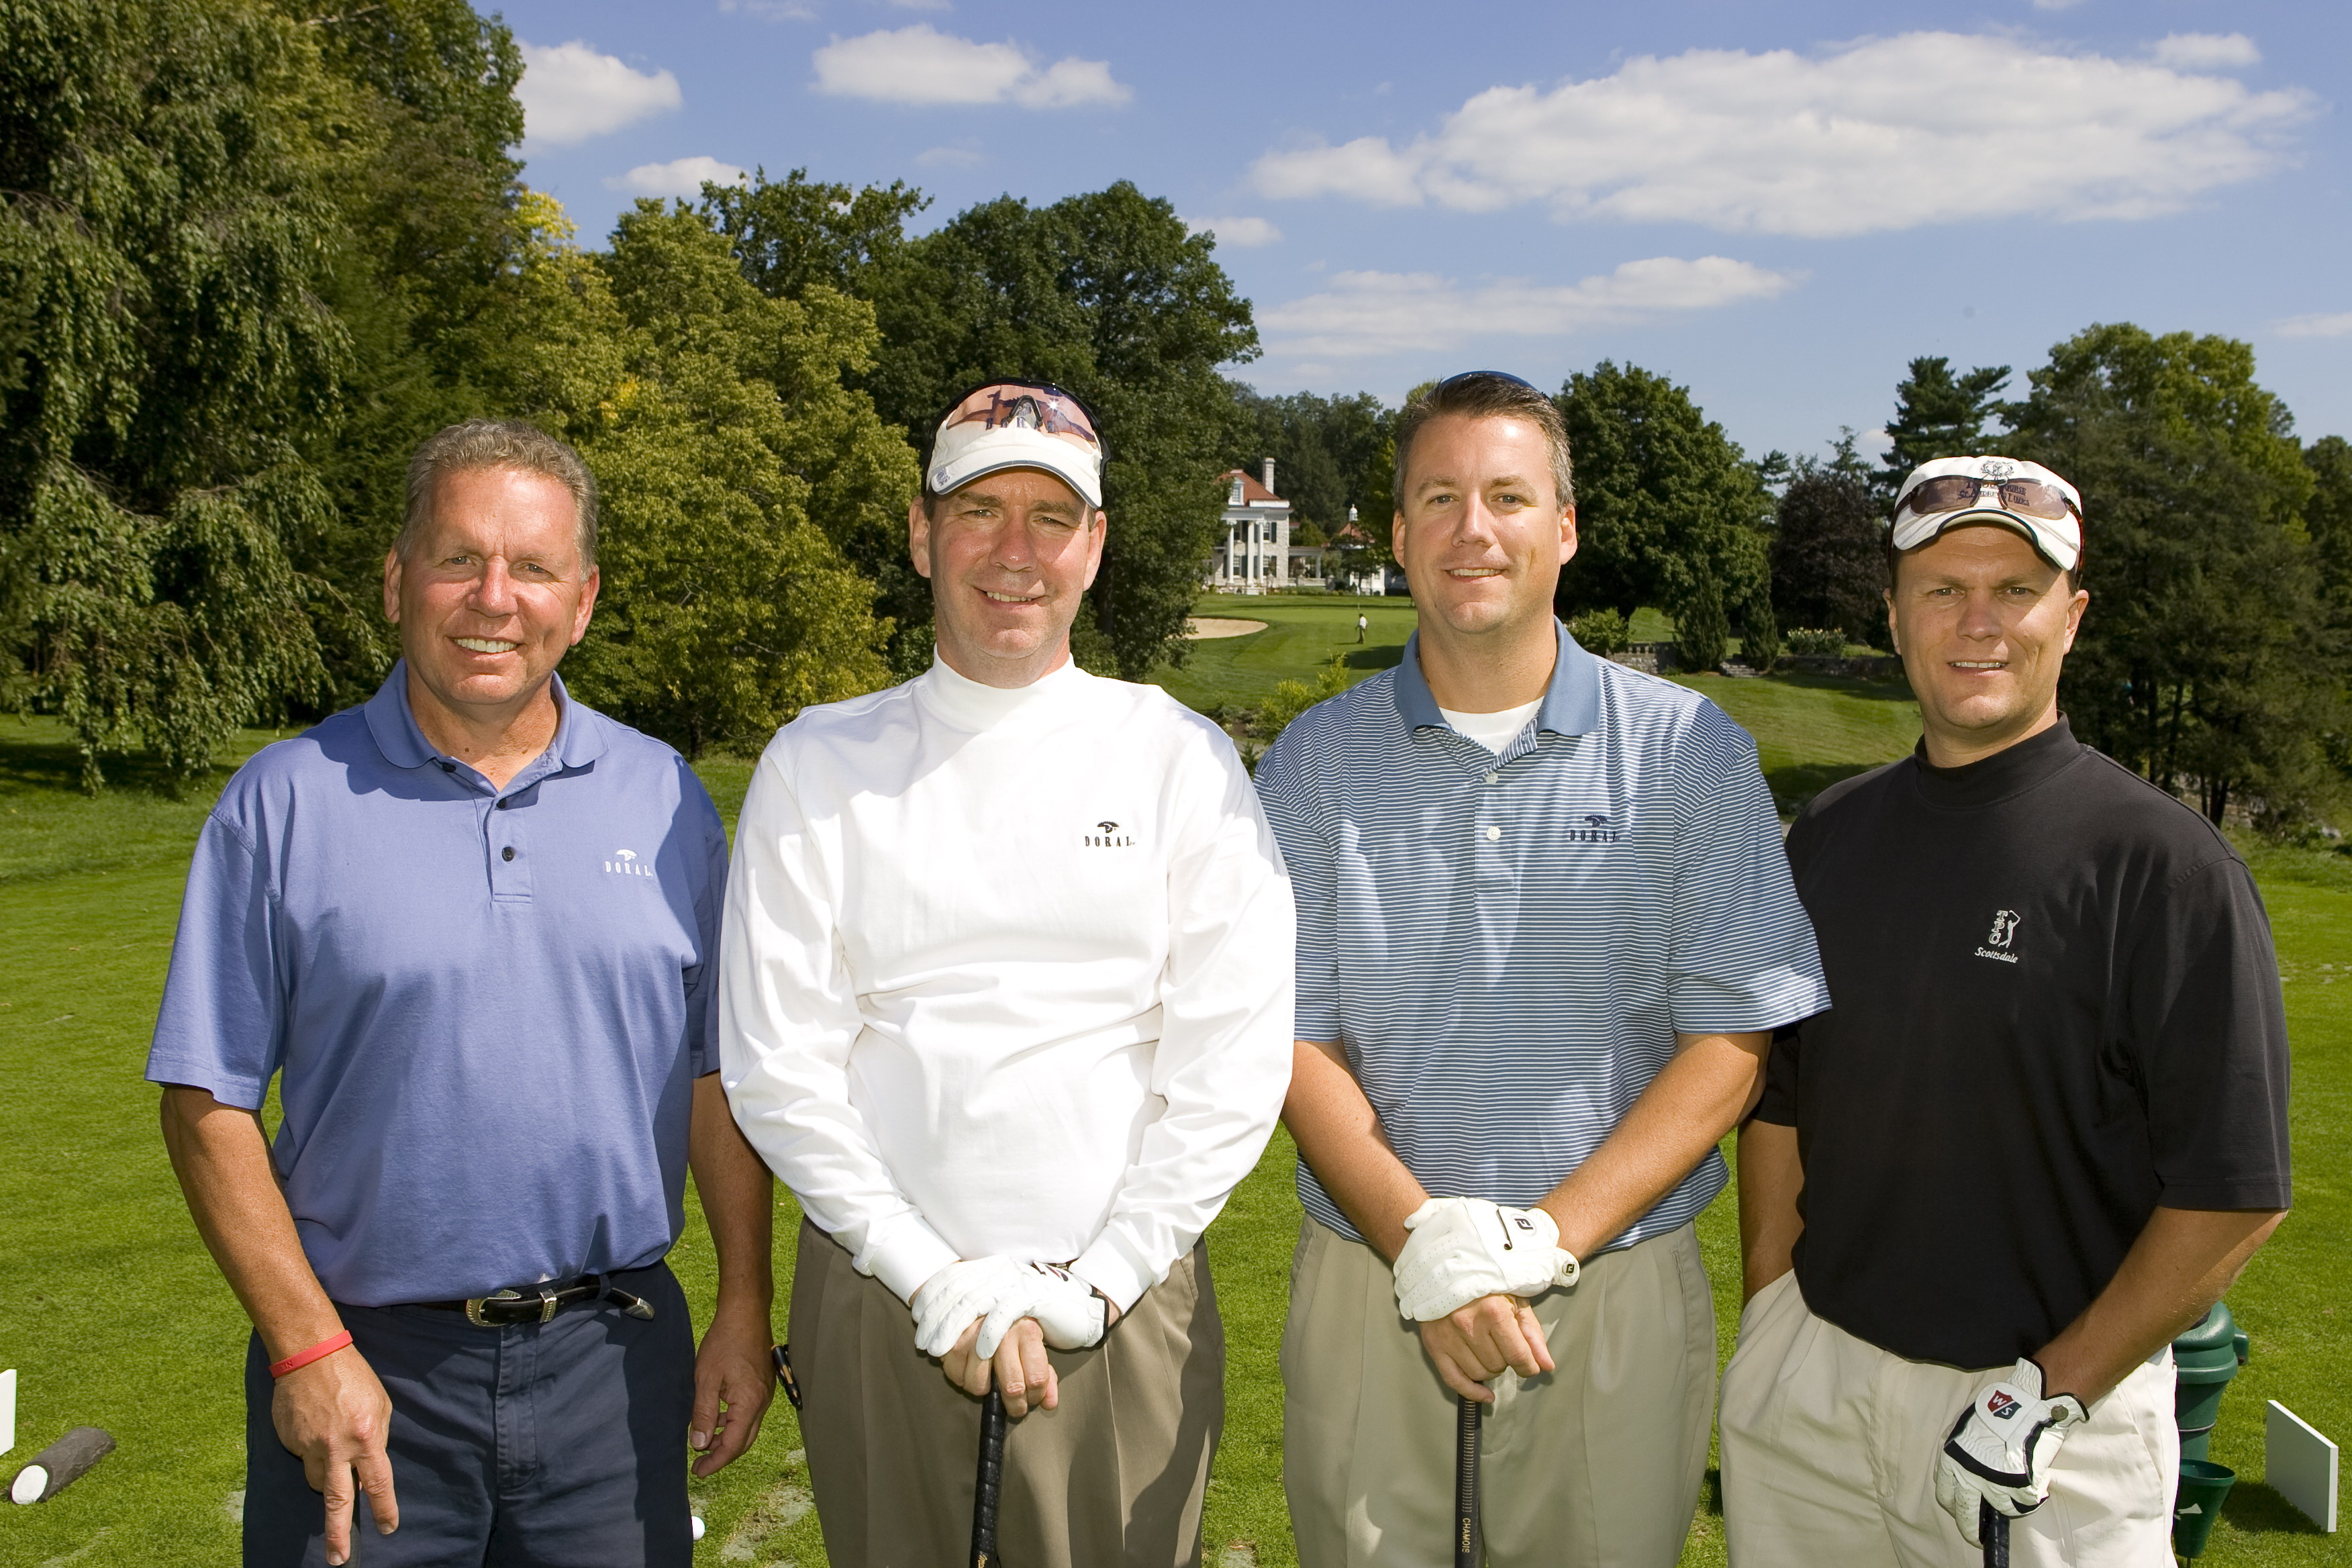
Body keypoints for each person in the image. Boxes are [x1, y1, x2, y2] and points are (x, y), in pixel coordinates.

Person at [149, 419, 777, 1568]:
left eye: (533, 567)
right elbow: (205, 1099)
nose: (494, 598)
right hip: (364, 1365)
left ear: (582, 601)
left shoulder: (666, 798)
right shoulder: (281, 802)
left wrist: (745, 1301)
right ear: (398, 581)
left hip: (612, 1367)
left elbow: (713, 1075)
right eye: (458, 559)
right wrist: (305, 1348)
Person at [1255, 371, 1829, 1568]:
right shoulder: (1314, 760)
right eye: (1440, 498)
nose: (1474, 529)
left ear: (1564, 529)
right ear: (1399, 534)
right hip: (1373, 1270)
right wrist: (1424, 1243)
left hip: (1611, 1281)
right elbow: (1291, 1037)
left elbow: (1731, 1045)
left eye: (1509, 497)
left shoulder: (1689, 750)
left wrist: (1541, 1240)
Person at [719, 380, 1295, 1567]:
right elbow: (780, 1066)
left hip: (1121, 1304)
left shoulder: (1179, 759)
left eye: (1052, 517)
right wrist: (924, 1270)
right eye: (980, 510)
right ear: (922, 533)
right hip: (877, 1295)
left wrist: (1102, 1280)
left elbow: (1230, 1064)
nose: (1015, 551)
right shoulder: (818, 761)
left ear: (1096, 545)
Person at [1720, 455, 2292, 1566]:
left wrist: (2052, 1389)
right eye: (1943, 589)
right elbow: (1781, 1101)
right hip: (1816, 1395)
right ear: (1895, 617)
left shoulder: (2165, 867)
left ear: (2070, 619)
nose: (1978, 622)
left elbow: (2234, 1192)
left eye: (2017, 591)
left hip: (2050, 1422)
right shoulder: (1830, 834)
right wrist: (1773, 1313)